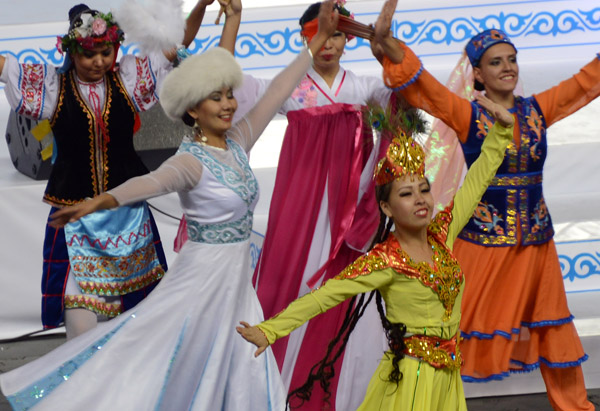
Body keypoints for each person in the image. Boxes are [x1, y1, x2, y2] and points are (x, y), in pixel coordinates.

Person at [0, 2, 339, 409]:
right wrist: (98, 202)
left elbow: (277, 87)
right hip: (197, 278)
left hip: (235, 284)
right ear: (194, 110)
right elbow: (150, 182)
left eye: (230, 95)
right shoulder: (189, 161)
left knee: (241, 361)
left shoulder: (240, 140)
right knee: (153, 350)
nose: (230, 103)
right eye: (217, 98)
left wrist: (315, 39)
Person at [374, 0, 599, 409]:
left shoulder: (537, 110)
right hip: (482, 242)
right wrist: (389, 45)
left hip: (536, 243)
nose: (507, 68)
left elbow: (585, 84)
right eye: (496, 62)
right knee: (449, 329)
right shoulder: (468, 115)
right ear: (477, 74)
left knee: (554, 328)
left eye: (512, 60)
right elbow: (426, 88)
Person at [238, 81, 514, 410]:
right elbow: (324, 297)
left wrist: (500, 132)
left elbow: (478, 179)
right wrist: (269, 331)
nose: (420, 200)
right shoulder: (384, 260)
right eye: (406, 194)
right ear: (386, 207)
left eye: (423, 190)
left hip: (448, 376)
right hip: (411, 379)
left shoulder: (443, 232)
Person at [185, 1, 407, 408]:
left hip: (350, 216)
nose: (330, 42)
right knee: (286, 288)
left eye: (340, 33)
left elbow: (405, 105)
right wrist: (233, 21)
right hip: (301, 213)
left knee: (349, 295)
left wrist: (388, 46)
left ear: (348, 41)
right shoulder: (289, 87)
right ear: (305, 36)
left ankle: (350, 392)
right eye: (320, 32)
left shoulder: (363, 88)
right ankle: (270, 387)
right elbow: (223, 80)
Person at [0, 1, 211, 339]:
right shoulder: (54, 88)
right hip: (74, 214)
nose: (99, 61)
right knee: (79, 302)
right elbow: (4, 68)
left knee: (140, 308)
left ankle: (133, 372)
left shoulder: (129, 77)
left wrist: (201, 4)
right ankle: (81, 371)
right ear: (72, 53)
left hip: (125, 207)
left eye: (106, 51)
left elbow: (175, 46)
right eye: (89, 54)